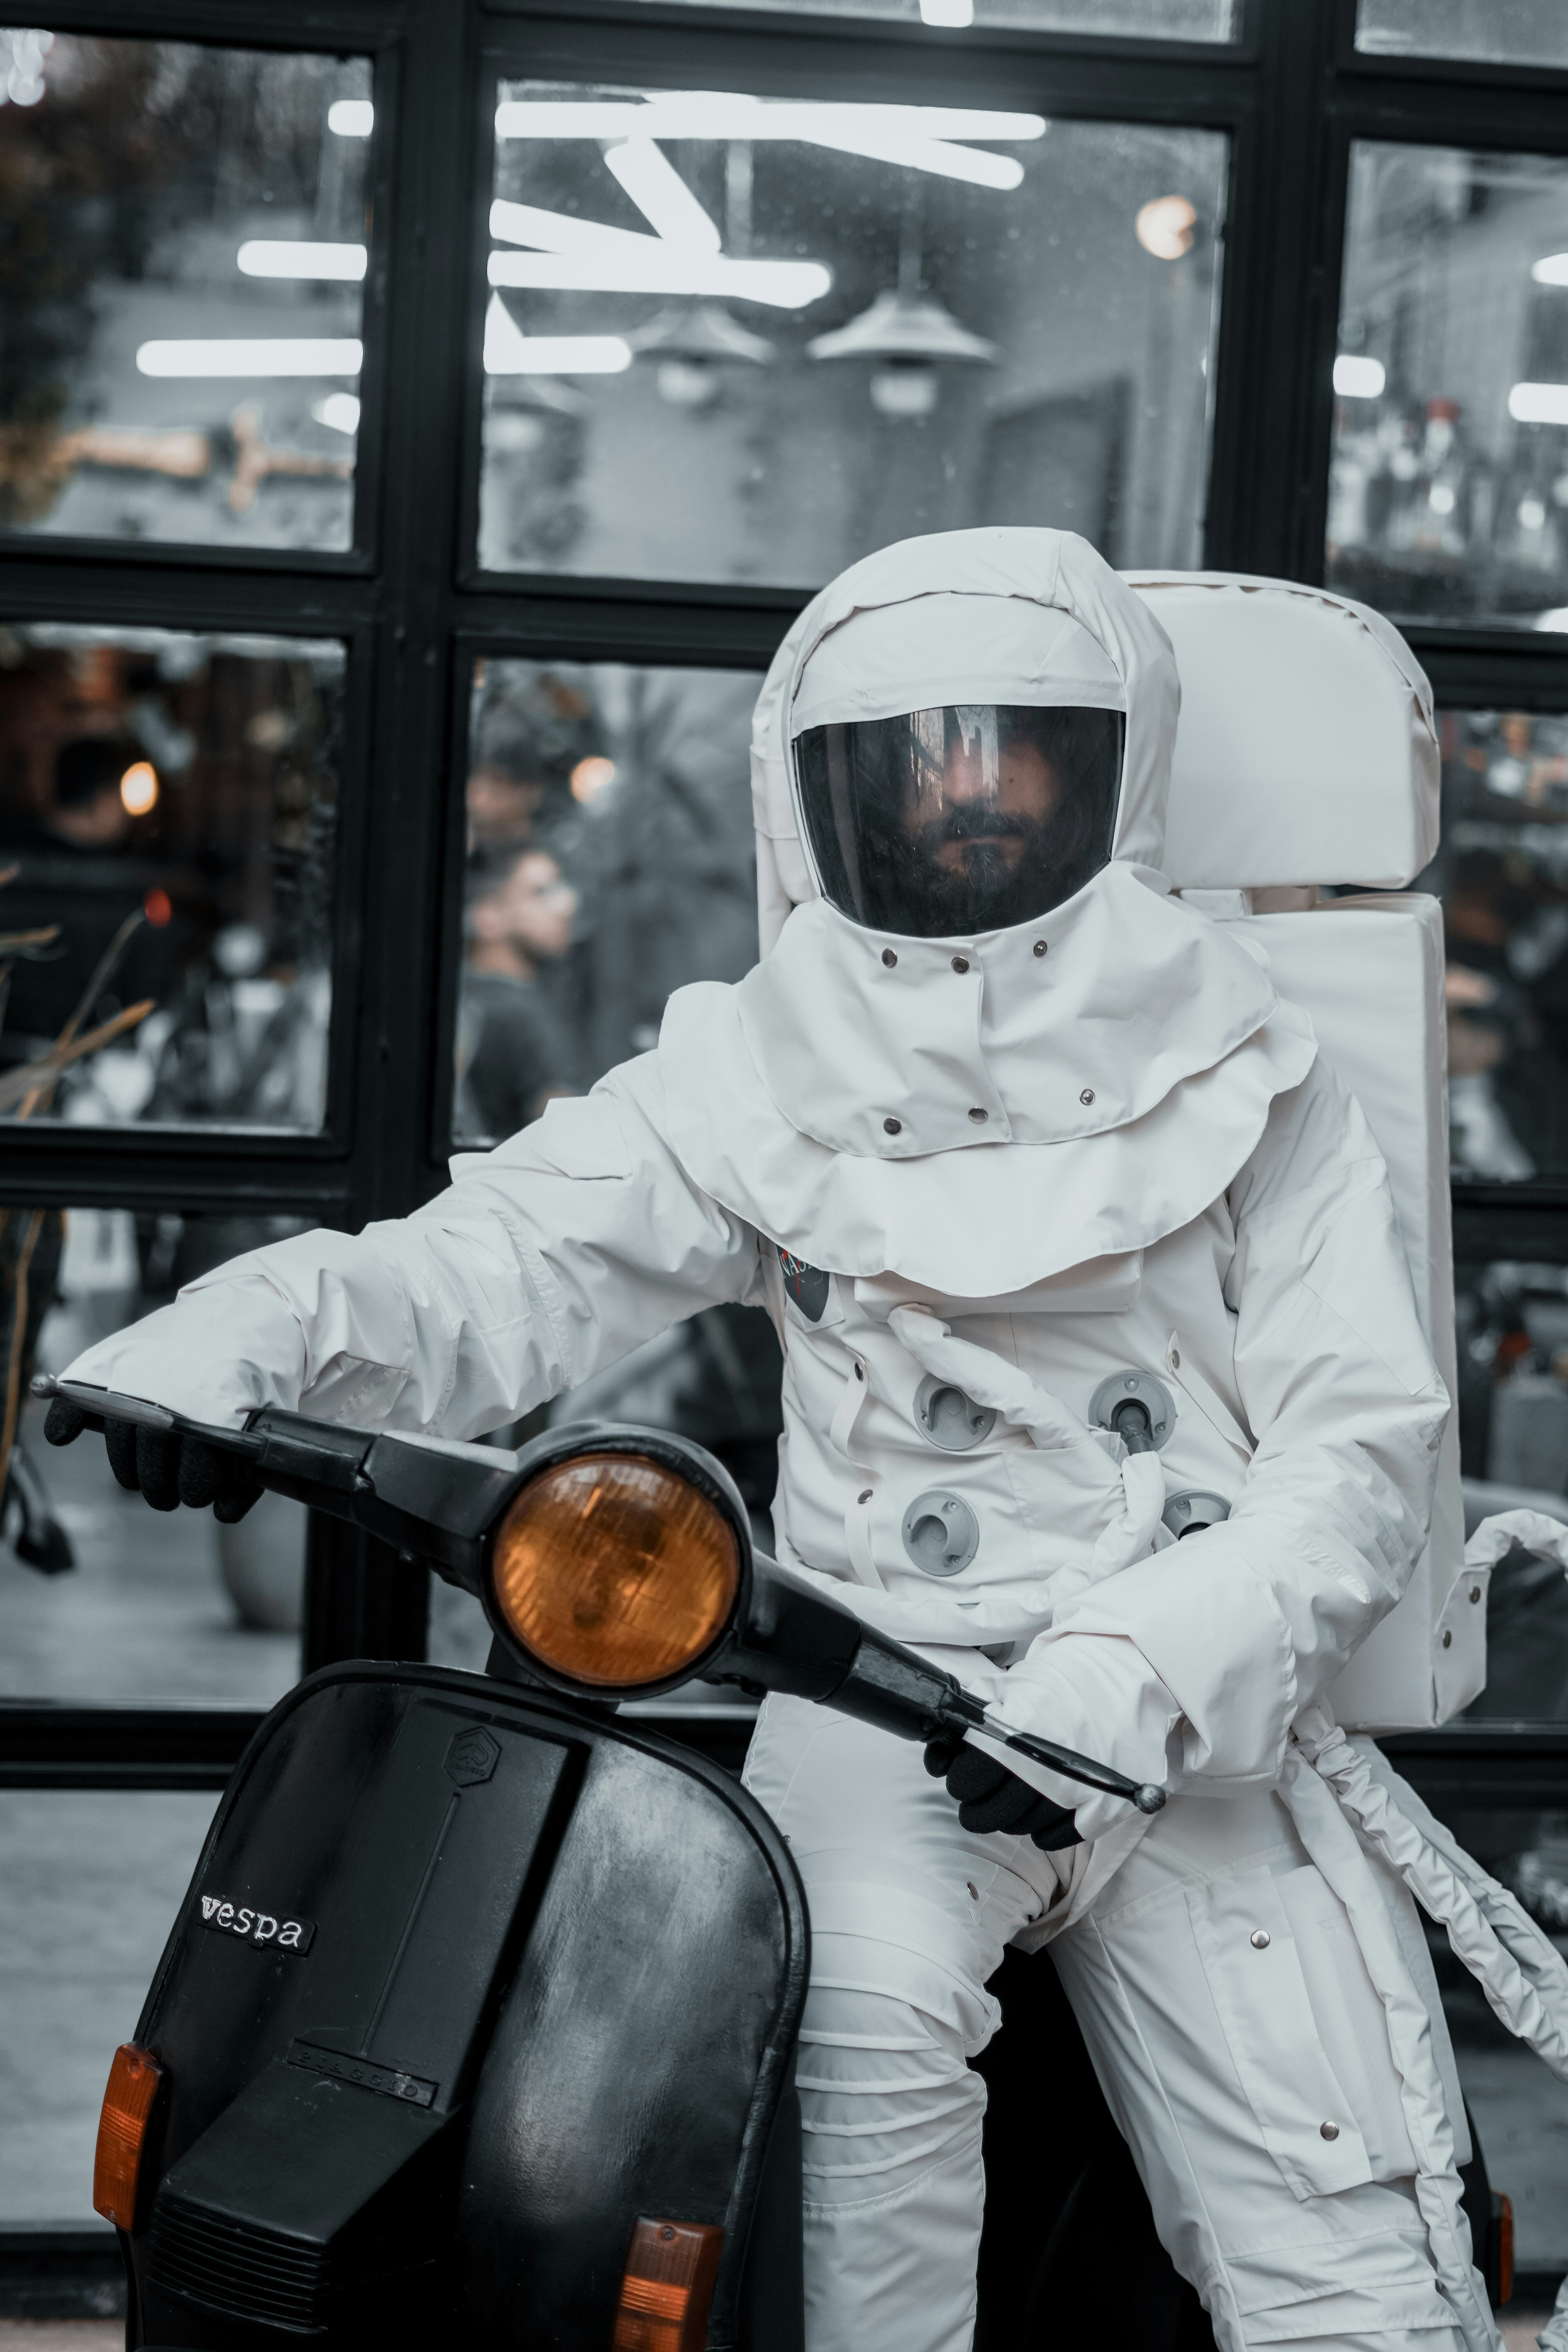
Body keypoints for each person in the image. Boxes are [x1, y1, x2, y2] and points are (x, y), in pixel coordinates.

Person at [44, 531, 1519, 2352]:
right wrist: (226, 1346)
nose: (962, 797)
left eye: (1014, 753)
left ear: (1113, 771)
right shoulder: (758, 1062)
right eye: (908, 763)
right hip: (884, 1701)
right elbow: (493, 1264)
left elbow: (1354, 1460)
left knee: (1348, 2248)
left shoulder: (1262, 1062)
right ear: (811, 796)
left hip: (1189, 1715)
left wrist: (1124, 1678)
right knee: (855, 2107)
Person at [453, 846, 579, 1142]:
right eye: (541, 893)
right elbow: (567, 1134)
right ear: (488, 916)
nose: (566, 906)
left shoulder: (462, 1000)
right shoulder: (520, 1014)